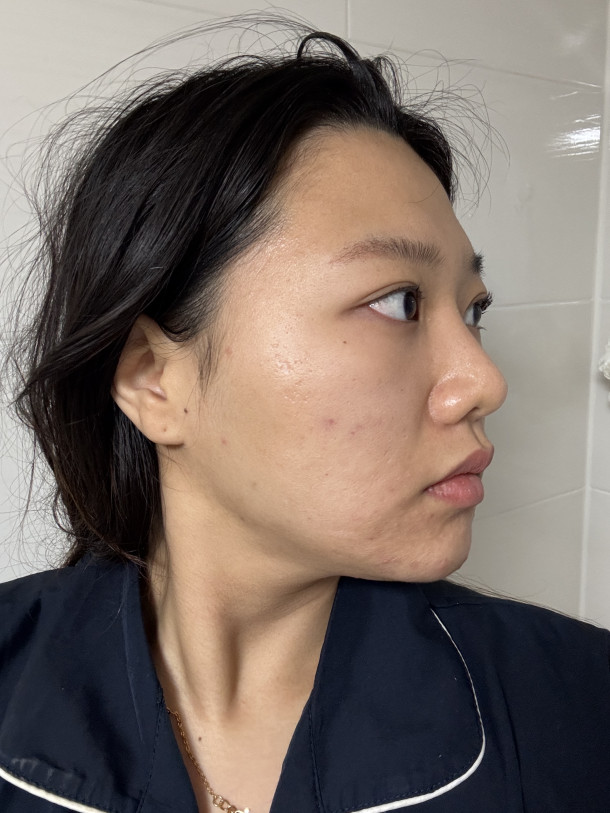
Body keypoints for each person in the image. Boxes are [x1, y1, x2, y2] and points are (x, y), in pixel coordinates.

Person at [0, 21, 609, 813]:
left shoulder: (578, 711)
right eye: (399, 302)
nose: (484, 383)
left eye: (473, 310)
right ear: (153, 377)